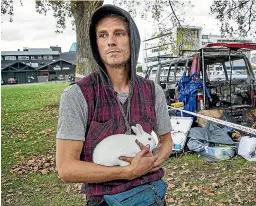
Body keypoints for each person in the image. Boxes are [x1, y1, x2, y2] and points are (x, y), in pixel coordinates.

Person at [55, 5, 173, 206]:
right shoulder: (77, 95)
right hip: (106, 200)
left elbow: (166, 140)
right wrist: (126, 172)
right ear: (96, 44)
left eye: (119, 33)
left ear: (132, 40)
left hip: (151, 195)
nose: (111, 41)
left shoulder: (153, 91)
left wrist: (153, 160)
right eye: (102, 35)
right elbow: (66, 168)